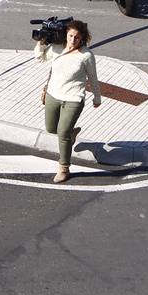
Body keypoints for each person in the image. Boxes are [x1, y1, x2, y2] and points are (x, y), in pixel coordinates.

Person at [36, 20, 101, 183]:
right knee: (52, 129)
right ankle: (71, 134)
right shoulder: (57, 48)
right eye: (71, 36)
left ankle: (64, 168)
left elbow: (93, 77)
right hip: (53, 95)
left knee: (62, 132)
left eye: (77, 37)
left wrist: (97, 97)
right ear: (66, 34)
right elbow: (39, 57)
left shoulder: (86, 55)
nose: (73, 40)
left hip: (73, 98)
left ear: (83, 38)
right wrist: (41, 43)